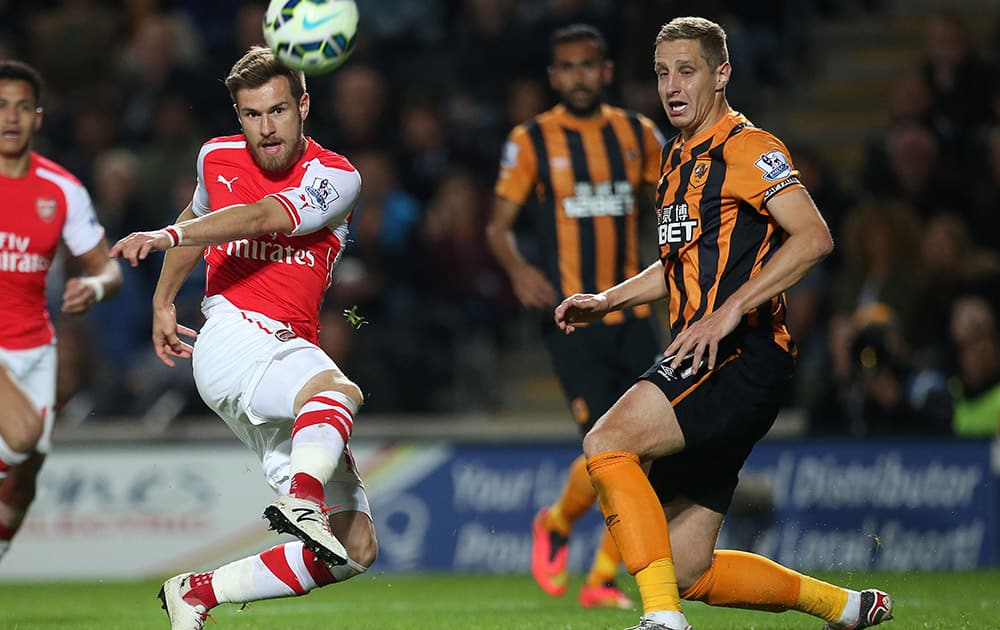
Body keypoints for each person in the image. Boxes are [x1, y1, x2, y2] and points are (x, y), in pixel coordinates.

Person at [553, 17, 893, 630]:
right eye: (662, 73)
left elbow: (813, 237)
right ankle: (845, 607)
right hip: (714, 356)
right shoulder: (675, 156)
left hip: (741, 352)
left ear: (721, 73)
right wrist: (607, 299)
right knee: (689, 568)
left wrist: (733, 309)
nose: (672, 86)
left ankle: (661, 621)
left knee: (607, 443)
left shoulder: (751, 149)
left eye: (687, 70)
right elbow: (679, 263)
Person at [110, 46, 377, 629]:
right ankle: (301, 501)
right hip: (233, 335)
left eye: (279, 111)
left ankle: (197, 591)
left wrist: (165, 234)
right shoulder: (216, 157)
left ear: (303, 106)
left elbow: (260, 218)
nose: (267, 127)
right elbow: (199, 216)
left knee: (353, 548)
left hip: (283, 350)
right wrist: (162, 299)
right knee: (337, 391)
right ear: (238, 117)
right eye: (253, 115)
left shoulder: (336, 177)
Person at [486, 24, 665, 609]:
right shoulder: (532, 140)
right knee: (607, 450)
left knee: (644, 449)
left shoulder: (639, 135)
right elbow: (498, 227)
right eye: (567, 67)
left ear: (607, 71)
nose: (578, 76)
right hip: (571, 324)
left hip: (633, 316)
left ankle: (598, 575)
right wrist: (516, 270)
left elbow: (672, 212)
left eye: (589, 65)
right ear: (553, 77)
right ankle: (560, 527)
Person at [0, 60, 122, 562]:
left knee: (26, 474)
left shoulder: (61, 189)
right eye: (1, 106)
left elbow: (109, 269)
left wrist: (93, 288)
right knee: (23, 435)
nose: (11, 117)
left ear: (39, 118)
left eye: (22, 107)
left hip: (33, 346)